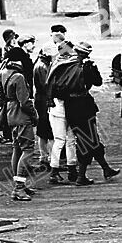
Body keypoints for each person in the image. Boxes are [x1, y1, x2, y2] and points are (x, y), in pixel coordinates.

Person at [48, 40, 121, 186]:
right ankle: (82, 176)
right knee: (89, 140)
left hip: (70, 107)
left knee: (89, 139)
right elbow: (98, 82)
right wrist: (93, 68)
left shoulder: (62, 65)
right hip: (83, 105)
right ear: (86, 54)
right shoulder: (85, 67)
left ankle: (105, 169)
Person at [0, 47, 39, 201]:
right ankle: (19, 188)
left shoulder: (3, 73)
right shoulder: (18, 76)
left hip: (9, 115)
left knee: (17, 149)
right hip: (21, 116)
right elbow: (25, 102)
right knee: (28, 150)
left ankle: (20, 184)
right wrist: (35, 115)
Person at [45, 39, 79, 184]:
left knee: (63, 139)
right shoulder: (69, 65)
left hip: (56, 105)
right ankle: (65, 169)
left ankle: (60, 169)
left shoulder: (55, 63)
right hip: (63, 104)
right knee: (66, 139)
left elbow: (48, 84)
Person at [32, 43, 55, 171]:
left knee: (43, 130)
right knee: (47, 130)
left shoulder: (41, 64)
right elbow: (45, 86)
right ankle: (48, 157)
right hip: (44, 101)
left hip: (41, 100)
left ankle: (45, 156)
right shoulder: (42, 67)